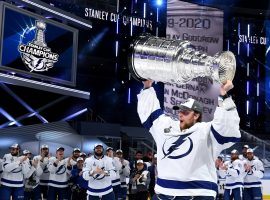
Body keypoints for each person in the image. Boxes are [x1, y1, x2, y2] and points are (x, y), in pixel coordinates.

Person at [137, 80, 241, 199]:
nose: (180, 114)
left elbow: (226, 128)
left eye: (185, 112)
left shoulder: (207, 131)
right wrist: (147, 86)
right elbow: (149, 114)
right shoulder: (166, 128)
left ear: (196, 115)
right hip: (164, 193)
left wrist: (223, 96)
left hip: (198, 194)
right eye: (179, 111)